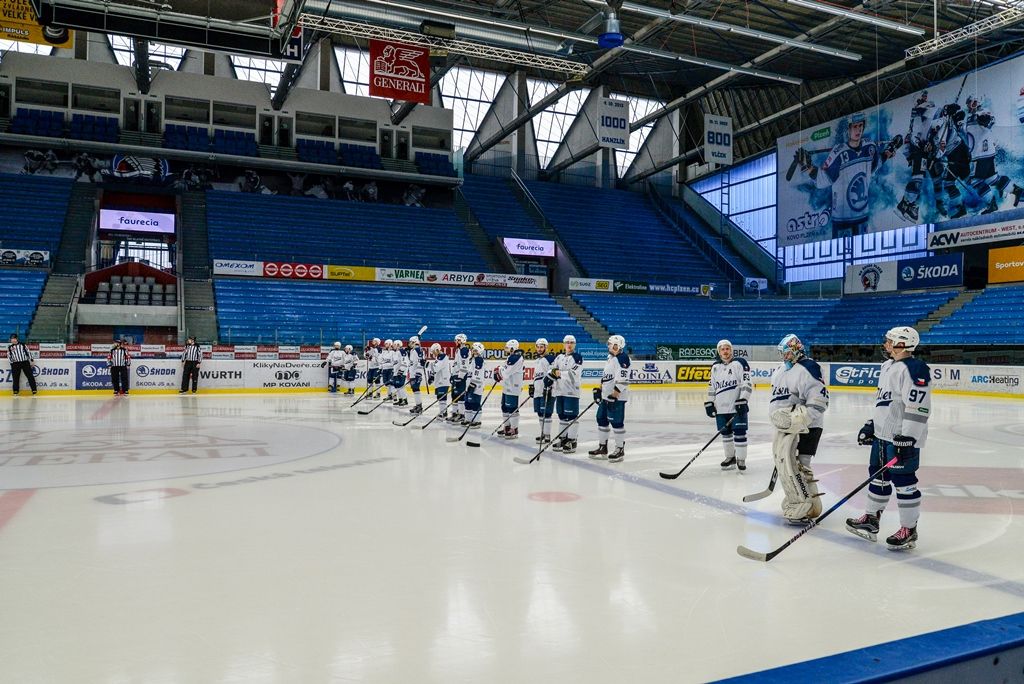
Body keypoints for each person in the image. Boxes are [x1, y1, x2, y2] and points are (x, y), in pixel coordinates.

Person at [847, 326, 931, 551]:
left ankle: (908, 529)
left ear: (902, 344)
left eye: (889, 341)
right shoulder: (886, 366)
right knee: (877, 477)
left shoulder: (915, 368)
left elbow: (918, 406)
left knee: (904, 481)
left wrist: (908, 438)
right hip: (882, 437)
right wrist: (871, 425)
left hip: (901, 439)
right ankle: (871, 520)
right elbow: (885, 403)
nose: (885, 344)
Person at [769, 334, 829, 525]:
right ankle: (800, 501)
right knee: (786, 465)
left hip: (807, 427)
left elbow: (819, 401)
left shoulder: (809, 367)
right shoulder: (780, 370)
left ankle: (807, 505)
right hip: (784, 427)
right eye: (782, 353)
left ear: (796, 349)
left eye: (786, 352)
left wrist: (801, 420)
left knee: (800, 466)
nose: (784, 357)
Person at [704, 339, 753, 471]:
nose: (725, 351)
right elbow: (712, 387)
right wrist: (709, 402)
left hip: (736, 406)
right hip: (721, 408)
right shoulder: (715, 367)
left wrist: (743, 400)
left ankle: (741, 459)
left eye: (727, 349)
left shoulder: (740, 363)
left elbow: (747, 383)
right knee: (725, 433)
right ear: (719, 352)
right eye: (722, 349)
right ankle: (730, 457)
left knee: (740, 432)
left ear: (731, 350)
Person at [589, 334, 631, 463]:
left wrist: (615, 394)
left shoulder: (623, 358)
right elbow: (607, 377)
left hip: (616, 398)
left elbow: (623, 378)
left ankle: (619, 449)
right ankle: (603, 447)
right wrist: (599, 389)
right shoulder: (610, 358)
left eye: (614, 344)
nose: (610, 346)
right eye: (610, 344)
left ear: (619, 346)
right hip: (606, 397)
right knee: (601, 419)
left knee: (616, 422)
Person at [549, 334, 583, 454]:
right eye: (567, 342)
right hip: (560, 391)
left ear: (574, 344)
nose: (569, 344)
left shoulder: (577, 357)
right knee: (562, 416)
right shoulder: (559, 357)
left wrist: (558, 373)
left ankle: (572, 440)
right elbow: (552, 369)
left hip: (571, 392)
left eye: (571, 342)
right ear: (563, 344)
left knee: (572, 416)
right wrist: (551, 375)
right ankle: (563, 438)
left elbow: (573, 374)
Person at [493, 339, 524, 439]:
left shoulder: (516, 357)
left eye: (507, 347)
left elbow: (505, 373)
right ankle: (507, 427)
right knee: (505, 407)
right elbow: (505, 372)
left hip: (513, 386)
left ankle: (514, 429)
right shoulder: (511, 357)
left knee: (512, 408)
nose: (505, 349)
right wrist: (499, 372)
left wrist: (499, 370)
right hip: (507, 386)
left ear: (512, 348)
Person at [530, 338, 556, 444]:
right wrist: (532, 386)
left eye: (541, 347)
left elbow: (553, 374)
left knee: (547, 413)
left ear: (546, 347)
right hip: (538, 391)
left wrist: (549, 387)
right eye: (538, 347)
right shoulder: (537, 360)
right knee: (540, 413)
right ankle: (543, 433)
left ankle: (547, 435)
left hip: (547, 391)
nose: (539, 349)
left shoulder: (551, 359)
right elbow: (537, 376)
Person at [463, 342, 487, 428]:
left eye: (476, 350)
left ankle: (477, 421)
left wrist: (472, 384)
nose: (474, 351)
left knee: (475, 403)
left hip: (476, 385)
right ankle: (468, 419)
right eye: (473, 349)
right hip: (470, 384)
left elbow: (477, 374)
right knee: (468, 402)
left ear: (480, 351)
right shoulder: (473, 359)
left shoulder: (479, 360)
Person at [449, 333, 471, 424]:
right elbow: (456, 365)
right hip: (456, 376)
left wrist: (460, 377)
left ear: (462, 341)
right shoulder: (458, 350)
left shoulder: (464, 350)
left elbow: (464, 366)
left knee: (460, 395)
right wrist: (453, 375)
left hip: (461, 377)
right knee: (454, 395)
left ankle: (461, 415)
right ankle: (455, 413)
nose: (455, 342)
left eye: (457, 340)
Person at [427, 343, 451, 418]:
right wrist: (432, 376)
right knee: (440, 397)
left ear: (437, 350)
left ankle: (443, 413)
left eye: (433, 351)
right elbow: (436, 369)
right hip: (440, 381)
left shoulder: (442, 357)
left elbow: (436, 368)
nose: (433, 353)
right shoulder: (439, 357)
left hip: (443, 381)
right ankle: (443, 412)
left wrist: (426, 363)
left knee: (442, 397)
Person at [407, 336, 426, 414]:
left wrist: (418, 373)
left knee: (416, 389)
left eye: (410, 342)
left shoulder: (418, 350)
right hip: (412, 374)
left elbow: (420, 362)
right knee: (414, 389)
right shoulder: (413, 350)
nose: (409, 344)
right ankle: (418, 405)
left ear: (414, 342)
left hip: (416, 374)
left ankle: (419, 406)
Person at [392, 339, 408, 407]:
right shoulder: (396, 352)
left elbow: (405, 362)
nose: (393, 346)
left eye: (394, 344)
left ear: (398, 345)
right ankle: (401, 399)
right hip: (396, 372)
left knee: (401, 386)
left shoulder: (402, 351)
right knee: (397, 386)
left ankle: (405, 400)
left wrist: (401, 371)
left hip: (401, 372)